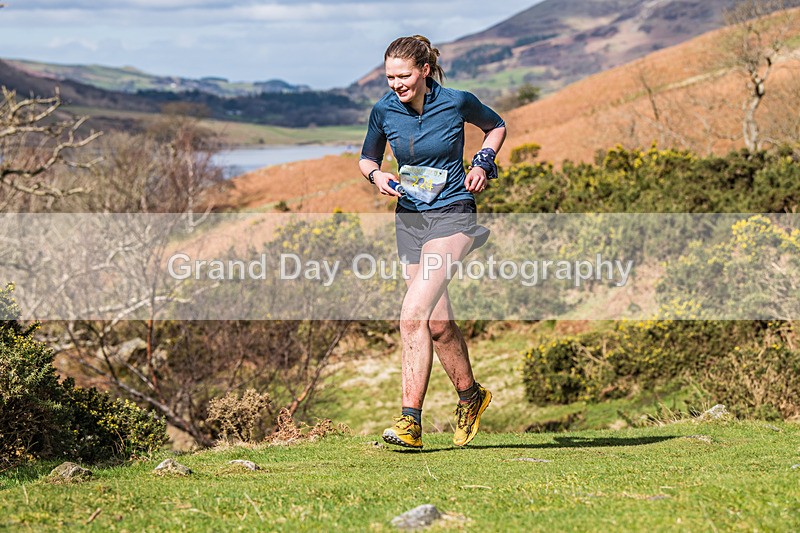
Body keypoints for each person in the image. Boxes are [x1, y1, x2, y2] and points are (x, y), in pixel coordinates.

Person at [358, 35, 506, 448]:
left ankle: (410, 422)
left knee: (412, 314)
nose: (396, 84)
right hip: (410, 218)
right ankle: (471, 397)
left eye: (403, 75)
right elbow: (367, 158)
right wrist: (378, 175)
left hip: (454, 211)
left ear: (424, 70)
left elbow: (496, 126)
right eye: (389, 77)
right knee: (438, 323)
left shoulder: (457, 101)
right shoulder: (383, 110)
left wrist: (483, 162)